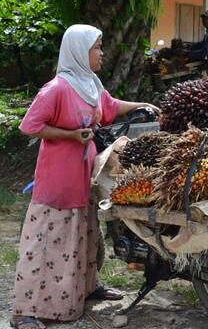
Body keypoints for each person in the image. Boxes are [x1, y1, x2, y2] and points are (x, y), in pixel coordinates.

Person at [11, 24, 160, 329]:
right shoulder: (57, 89)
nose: (102, 53)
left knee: (87, 236)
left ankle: (88, 288)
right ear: (80, 51)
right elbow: (30, 126)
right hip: (58, 177)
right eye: (97, 47)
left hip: (84, 174)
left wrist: (144, 105)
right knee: (48, 242)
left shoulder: (89, 83)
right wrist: (69, 135)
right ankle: (27, 311)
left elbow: (110, 106)